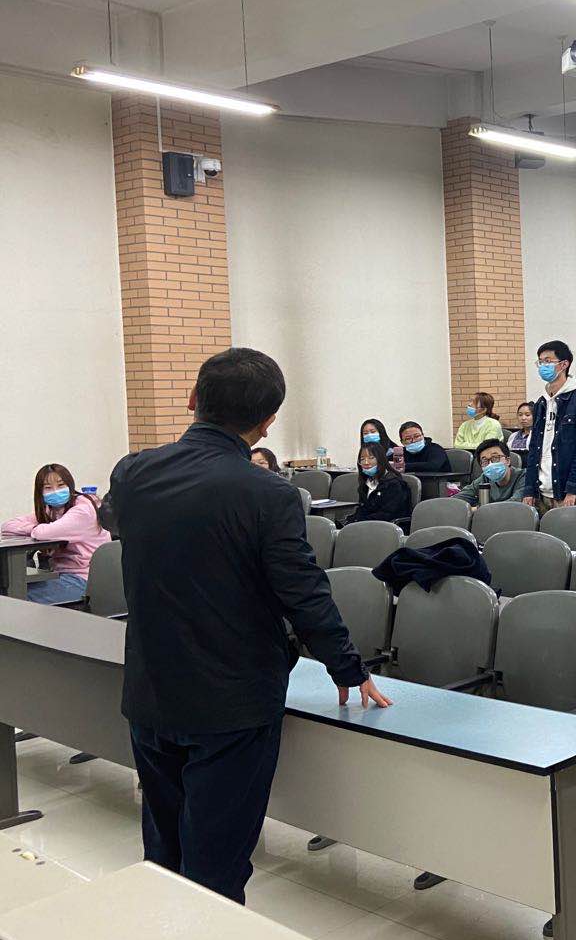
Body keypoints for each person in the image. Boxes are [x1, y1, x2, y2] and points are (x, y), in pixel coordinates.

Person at [101, 347, 388, 904]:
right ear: (267, 422)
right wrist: (347, 668)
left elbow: (117, 522)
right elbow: (302, 592)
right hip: (231, 704)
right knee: (216, 867)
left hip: (151, 690)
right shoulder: (269, 494)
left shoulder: (132, 472)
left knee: (162, 854)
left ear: (192, 399)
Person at [3, 464, 110, 604]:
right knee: (9, 591)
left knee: (16, 598)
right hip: (58, 575)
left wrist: (38, 529)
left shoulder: (83, 510)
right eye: (48, 488)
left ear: (70, 486)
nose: (55, 491)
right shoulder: (53, 510)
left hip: (84, 579)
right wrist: (36, 527)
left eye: (61, 485)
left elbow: (42, 533)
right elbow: (7, 526)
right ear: (40, 493)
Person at [524, 339, 576, 513]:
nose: (543, 366)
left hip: (569, 491)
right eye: (540, 362)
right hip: (542, 489)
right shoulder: (542, 402)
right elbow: (535, 447)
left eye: (548, 361)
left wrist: (572, 489)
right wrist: (529, 488)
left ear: (564, 364)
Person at [351, 442, 411, 525]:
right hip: (368, 524)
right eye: (362, 459)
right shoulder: (366, 483)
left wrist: (361, 521)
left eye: (371, 458)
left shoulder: (394, 483)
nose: (366, 462)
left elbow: (389, 514)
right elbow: (363, 508)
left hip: (387, 526)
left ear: (381, 459)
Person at [457, 438, 525, 505]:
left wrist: (477, 509)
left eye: (495, 458)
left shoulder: (523, 476)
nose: (490, 464)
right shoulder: (484, 479)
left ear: (507, 460)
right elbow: (458, 499)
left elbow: (515, 504)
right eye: (485, 461)